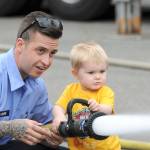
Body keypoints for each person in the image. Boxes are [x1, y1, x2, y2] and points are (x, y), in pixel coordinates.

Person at [0, 11, 67, 150]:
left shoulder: (37, 85)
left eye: (52, 53)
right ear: (20, 45)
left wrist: (54, 135)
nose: (46, 62)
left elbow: (45, 126)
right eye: (41, 51)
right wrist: (8, 128)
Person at [52, 42, 121, 150]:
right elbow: (58, 107)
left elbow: (107, 109)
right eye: (91, 72)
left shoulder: (105, 92)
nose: (98, 76)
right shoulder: (71, 90)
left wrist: (99, 107)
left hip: (106, 147)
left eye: (102, 71)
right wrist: (59, 116)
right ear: (75, 73)